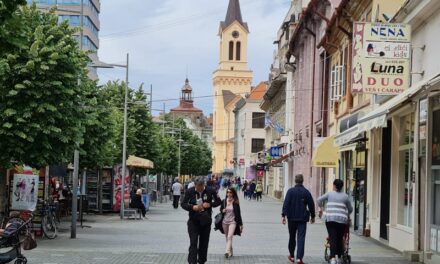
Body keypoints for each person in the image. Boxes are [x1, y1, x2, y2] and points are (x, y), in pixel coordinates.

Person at [181, 177, 221, 264]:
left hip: (205, 221)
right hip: (193, 221)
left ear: (204, 184)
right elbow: (183, 204)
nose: (200, 188)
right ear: (195, 185)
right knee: (193, 242)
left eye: (201, 186)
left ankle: (202, 260)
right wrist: (192, 207)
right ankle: (192, 261)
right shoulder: (190, 191)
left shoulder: (210, 190)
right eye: (198, 186)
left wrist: (210, 204)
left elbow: (218, 201)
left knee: (204, 242)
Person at [282, 174, 316, 264]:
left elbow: (286, 204)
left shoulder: (290, 191)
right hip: (302, 218)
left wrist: (283, 216)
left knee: (292, 237)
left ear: (295, 181)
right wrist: (313, 216)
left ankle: (292, 256)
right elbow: (311, 205)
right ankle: (299, 258)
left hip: (291, 218)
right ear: (302, 181)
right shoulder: (306, 192)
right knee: (301, 238)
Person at [317, 179, 353, 264]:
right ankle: (340, 257)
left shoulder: (329, 194)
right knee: (340, 238)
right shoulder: (345, 196)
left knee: (333, 238)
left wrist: (321, 209)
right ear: (342, 187)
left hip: (330, 219)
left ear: (334, 185)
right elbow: (350, 209)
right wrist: (346, 213)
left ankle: (333, 258)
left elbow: (319, 200)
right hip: (341, 221)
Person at [218, 187, 243, 258]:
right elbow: (220, 209)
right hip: (224, 222)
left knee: (229, 236)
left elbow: (239, 213)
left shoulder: (235, 202)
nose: (229, 194)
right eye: (228, 192)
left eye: (230, 192)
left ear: (233, 193)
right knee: (227, 237)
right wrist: (222, 210)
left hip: (233, 222)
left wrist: (241, 224)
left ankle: (227, 251)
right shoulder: (224, 201)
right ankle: (231, 251)